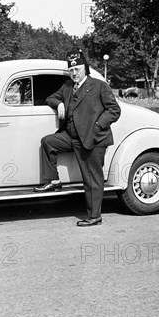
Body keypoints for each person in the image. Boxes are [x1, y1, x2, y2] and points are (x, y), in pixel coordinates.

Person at [34, 50, 121, 227]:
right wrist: (58, 103)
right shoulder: (67, 86)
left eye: (77, 69)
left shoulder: (98, 86)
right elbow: (51, 98)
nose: (74, 73)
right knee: (48, 142)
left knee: (91, 179)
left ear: (85, 69)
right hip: (71, 136)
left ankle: (95, 216)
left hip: (92, 139)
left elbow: (114, 110)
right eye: (71, 70)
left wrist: (97, 126)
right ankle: (54, 180)